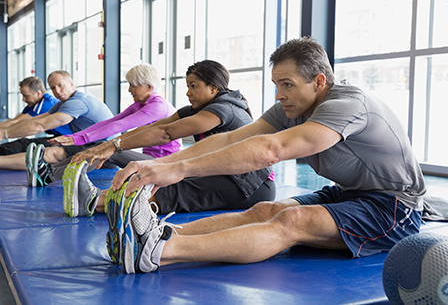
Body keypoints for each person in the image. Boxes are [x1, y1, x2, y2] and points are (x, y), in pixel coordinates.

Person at [103, 36, 425, 274]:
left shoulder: (347, 106)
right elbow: (229, 139)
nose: (279, 94)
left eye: (287, 84)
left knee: (291, 219)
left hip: (395, 206)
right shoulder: (292, 105)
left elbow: (273, 150)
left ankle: (158, 251)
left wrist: (183, 169)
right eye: (275, 84)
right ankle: (151, 235)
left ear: (319, 81)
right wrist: (163, 164)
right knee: (263, 210)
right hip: (351, 193)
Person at [62, 60, 275, 263]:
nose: (188, 92)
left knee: (175, 188)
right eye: (187, 86)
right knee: (155, 179)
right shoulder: (199, 108)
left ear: (213, 88)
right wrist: (111, 144)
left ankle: (94, 202)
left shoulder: (224, 109)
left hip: (249, 185)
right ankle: (96, 199)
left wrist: (112, 147)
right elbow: (155, 127)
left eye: (194, 86)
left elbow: (166, 133)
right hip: (222, 171)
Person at [23, 63, 181, 187]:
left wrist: (80, 140)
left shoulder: (157, 107)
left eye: (133, 85)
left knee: (110, 151)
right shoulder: (142, 103)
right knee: (102, 146)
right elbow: (111, 121)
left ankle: (48, 176)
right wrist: (75, 137)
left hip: (163, 163)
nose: (129, 90)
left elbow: (120, 126)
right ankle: (49, 171)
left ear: (149, 87)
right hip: (150, 158)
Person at [0, 70, 115, 169]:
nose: (57, 91)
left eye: (60, 85)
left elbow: (39, 126)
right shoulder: (62, 103)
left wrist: (4, 134)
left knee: (49, 153)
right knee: (30, 144)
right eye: (53, 88)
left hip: (104, 150)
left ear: (71, 84)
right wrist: (4, 132)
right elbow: (34, 121)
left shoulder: (77, 102)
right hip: (83, 141)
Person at [0, 76, 70, 136]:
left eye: (26, 96)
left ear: (38, 93)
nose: (23, 99)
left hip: (69, 139)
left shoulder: (46, 104)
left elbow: (18, 122)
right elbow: (14, 120)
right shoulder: (34, 103)